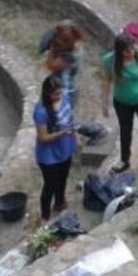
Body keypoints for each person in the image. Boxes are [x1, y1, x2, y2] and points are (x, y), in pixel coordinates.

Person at [101, 32, 138, 177]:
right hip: (122, 102)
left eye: (133, 48)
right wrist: (104, 101)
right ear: (119, 51)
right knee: (125, 130)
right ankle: (124, 160)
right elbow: (107, 80)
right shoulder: (110, 61)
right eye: (127, 51)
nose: (131, 52)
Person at [34, 76, 77, 223]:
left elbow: (70, 119)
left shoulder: (65, 98)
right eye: (55, 94)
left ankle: (59, 202)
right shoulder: (41, 111)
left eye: (60, 92)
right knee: (50, 185)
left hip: (65, 148)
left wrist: (74, 139)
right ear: (47, 93)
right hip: (49, 156)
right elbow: (43, 138)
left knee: (63, 178)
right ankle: (45, 215)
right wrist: (63, 133)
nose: (58, 96)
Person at [45, 22, 84, 105]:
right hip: (66, 87)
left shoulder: (69, 57)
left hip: (64, 93)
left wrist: (52, 48)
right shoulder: (77, 45)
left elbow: (50, 65)